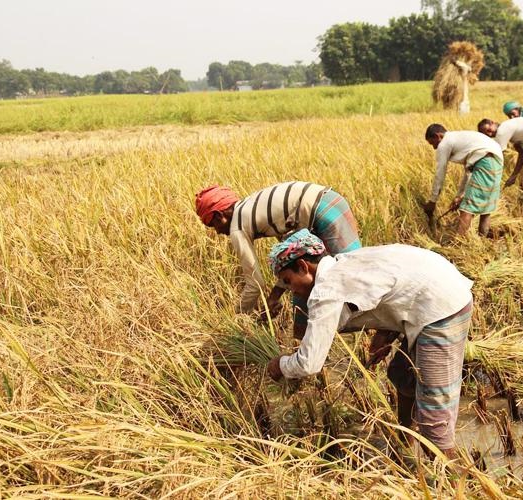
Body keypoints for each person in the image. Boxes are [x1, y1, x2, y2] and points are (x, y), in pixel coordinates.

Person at [265, 229, 473, 458]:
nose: (292, 290)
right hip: (438, 285)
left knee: (433, 424)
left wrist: (280, 365)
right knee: (402, 374)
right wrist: (385, 336)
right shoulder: (344, 263)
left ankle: (458, 482)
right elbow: (394, 286)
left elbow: (309, 363)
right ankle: (402, 448)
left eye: (288, 281)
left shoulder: (326, 291)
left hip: (442, 309)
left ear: (304, 266)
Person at [195, 182, 361, 338]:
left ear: (219, 216)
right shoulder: (254, 208)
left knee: (351, 283)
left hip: (320, 213)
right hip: (333, 200)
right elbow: (290, 260)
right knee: (354, 274)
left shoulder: (237, 227)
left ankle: (310, 350)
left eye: (213, 226)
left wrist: (237, 320)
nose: (217, 232)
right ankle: (309, 347)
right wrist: (274, 297)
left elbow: (255, 283)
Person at [423, 123, 504, 237]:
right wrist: (460, 196)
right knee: (485, 208)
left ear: (438, 136)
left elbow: (440, 173)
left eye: (433, 143)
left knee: (466, 208)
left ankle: (459, 245)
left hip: (484, 162)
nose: (434, 148)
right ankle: (483, 239)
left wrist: (432, 201)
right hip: (496, 162)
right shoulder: (459, 138)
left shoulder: (444, 143)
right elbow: (469, 172)